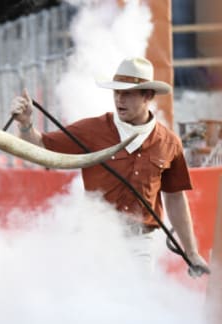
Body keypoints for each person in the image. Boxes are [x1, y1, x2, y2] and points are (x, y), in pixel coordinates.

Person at [10, 56, 208, 272]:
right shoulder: (93, 129)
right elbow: (41, 146)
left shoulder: (169, 142)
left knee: (138, 301)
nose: (119, 99)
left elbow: (175, 197)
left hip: (140, 243)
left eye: (128, 93)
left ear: (147, 96)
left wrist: (192, 253)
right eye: (117, 92)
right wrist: (26, 124)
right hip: (96, 239)